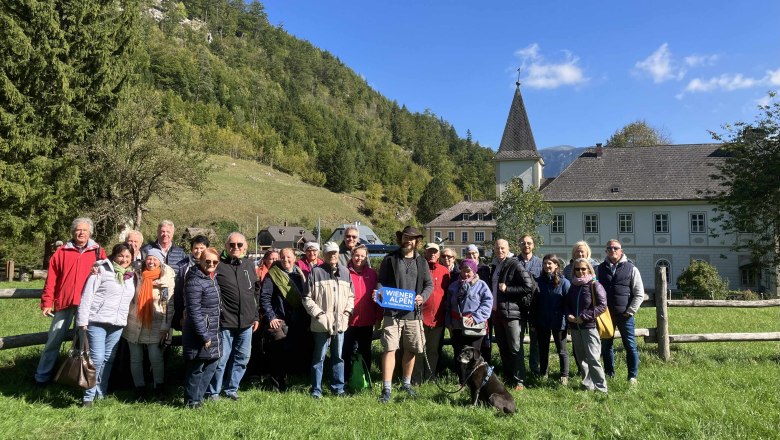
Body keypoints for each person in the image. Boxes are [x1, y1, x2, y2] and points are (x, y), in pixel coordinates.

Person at [36, 217, 107, 386]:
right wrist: (47, 302)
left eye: (84, 230)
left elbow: (106, 278)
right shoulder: (62, 252)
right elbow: (51, 279)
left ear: (90, 232)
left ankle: (77, 378)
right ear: (73, 232)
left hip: (87, 306)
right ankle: (42, 377)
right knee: (53, 341)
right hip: (65, 303)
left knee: (82, 344)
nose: (81, 233)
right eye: (77, 230)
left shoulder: (98, 252)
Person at [376, 226, 433, 403]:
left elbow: (429, 285)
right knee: (389, 348)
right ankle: (387, 388)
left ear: (417, 241)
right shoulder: (390, 259)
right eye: (405, 237)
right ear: (401, 239)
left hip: (413, 314)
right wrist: (379, 292)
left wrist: (421, 297)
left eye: (412, 238)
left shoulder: (421, 262)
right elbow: (380, 282)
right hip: (392, 312)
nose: (408, 240)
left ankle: (406, 384)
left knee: (412, 349)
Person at [76, 243, 136, 407]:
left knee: (108, 359)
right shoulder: (101, 270)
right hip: (97, 321)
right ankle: (88, 396)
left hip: (117, 323)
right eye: (121, 256)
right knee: (97, 358)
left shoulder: (131, 276)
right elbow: (87, 295)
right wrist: (82, 321)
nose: (124, 260)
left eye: (127, 257)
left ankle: (100, 392)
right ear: (114, 256)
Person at [207, 232, 260, 401]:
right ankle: (214, 392)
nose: (235, 247)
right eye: (232, 245)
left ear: (245, 247)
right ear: (226, 246)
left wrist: (256, 316)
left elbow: (256, 291)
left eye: (239, 245)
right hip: (225, 322)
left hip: (247, 322)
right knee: (221, 360)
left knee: (242, 358)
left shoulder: (249, 265)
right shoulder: (218, 266)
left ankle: (231, 389)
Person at [122, 248, 175, 400]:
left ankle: (159, 387)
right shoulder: (137, 273)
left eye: (155, 259)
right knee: (136, 357)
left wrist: (165, 327)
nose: (151, 262)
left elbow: (169, 305)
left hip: (155, 322)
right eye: (149, 259)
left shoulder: (166, 278)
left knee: (155, 356)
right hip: (134, 320)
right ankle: (139, 388)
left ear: (160, 261)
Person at [303, 242, 355, 398]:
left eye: (335, 253)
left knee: (338, 357)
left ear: (338, 254)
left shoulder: (345, 272)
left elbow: (351, 296)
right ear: (323, 255)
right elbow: (306, 298)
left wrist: (347, 313)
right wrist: (319, 315)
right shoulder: (315, 272)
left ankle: (338, 388)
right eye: (329, 253)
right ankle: (316, 390)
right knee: (318, 357)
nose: (333, 256)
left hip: (340, 322)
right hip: (321, 323)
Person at [260, 248, 309, 390]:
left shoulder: (300, 274)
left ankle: (292, 382)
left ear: (295, 258)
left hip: (298, 320)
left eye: (289, 257)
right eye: (282, 257)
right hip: (280, 321)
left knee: (294, 352)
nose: (285, 260)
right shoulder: (273, 275)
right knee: (278, 354)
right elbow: (265, 298)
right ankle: (277, 385)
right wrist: (271, 317)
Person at [597, 239, 644, 386]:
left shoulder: (631, 268)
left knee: (630, 346)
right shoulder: (599, 269)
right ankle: (609, 374)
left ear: (621, 251)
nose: (612, 251)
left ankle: (632, 376)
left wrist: (630, 312)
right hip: (606, 315)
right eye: (609, 248)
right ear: (606, 251)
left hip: (625, 315)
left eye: (615, 248)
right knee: (606, 346)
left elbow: (639, 294)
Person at [490, 239, 536, 391]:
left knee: (515, 347)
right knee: (503, 347)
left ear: (508, 248)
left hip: (513, 314)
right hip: (497, 313)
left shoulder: (514, 264)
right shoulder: (495, 265)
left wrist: (508, 289)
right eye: (497, 248)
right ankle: (509, 377)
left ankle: (520, 380)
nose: (500, 250)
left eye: (502, 248)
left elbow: (528, 286)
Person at [182, 247, 222, 409]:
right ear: (200, 261)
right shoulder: (194, 280)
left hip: (214, 328)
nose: (211, 264)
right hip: (200, 332)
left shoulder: (211, 278)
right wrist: (204, 335)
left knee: (212, 363)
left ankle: (198, 398)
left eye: (214, 262)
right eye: (208, 261)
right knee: (197, 367)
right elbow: (194, 311)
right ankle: (191, 402)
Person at [445, 259, 492, 383]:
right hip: (457, 326)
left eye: (469, 271)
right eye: (463, 271)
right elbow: (448, 306)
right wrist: (449, 323)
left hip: (474, 327)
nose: (466, 274)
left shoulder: (482, 285)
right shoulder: (454, 286)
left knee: (472, 355)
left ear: (474, 271)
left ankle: (475, 381)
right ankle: (462, 380)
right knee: (459, 354)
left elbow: (487, 303)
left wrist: (475, 317)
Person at [564, 258, 608, 393]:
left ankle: (601, 388)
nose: (580, 271)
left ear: (589, 269)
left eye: (583, 268)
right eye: (577, 269)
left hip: (590, 326)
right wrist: (569, 315)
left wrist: (584, 317)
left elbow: (602, 306)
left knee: (593, 358)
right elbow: (567, 304)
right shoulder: (573, 286)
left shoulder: (595, 285)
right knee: (581, 359)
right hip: (576, 328)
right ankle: (587, 385)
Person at [342, 244, 380, 388]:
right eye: (357, 255)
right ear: (352, 256)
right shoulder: (344, 273)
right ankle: (346, 380)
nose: (359, 258)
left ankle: (366, 379)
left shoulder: (372, 274)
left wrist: (378, 316)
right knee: (346, 351)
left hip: (367, 320)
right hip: (348, 321)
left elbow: (378, 297)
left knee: (365, 352)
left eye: (362, 256)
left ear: (366, 257)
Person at [413, 242, 450, 384]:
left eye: (435, 252)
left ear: (439, 254)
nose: (432, 254)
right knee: (418, 349)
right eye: (430, 252)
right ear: (425, 253)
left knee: (433, 350)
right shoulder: (418, 268)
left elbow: (447, 294)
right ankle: (417, 378)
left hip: (438, 318)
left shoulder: (444, 271)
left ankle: (430, 377)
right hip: (419, 317)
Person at [532, 254, 571, 385]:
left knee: (562, 350)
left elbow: (567, 303)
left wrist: (567, 320)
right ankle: (544, 373)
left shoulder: (564, 283)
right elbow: (534, 302)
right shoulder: (538, 282)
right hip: (542, 321)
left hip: (559, 321)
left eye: (550, 263)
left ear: (556, 265)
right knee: (543, 349)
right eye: (545, 264)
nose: (547, 266)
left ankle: (564, 375)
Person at [172, 235, 211, 331]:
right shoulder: (182, 266)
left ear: (207, 249)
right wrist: (180, 315)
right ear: (191, 249)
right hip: (187, 312)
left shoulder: (213, 264)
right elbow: (178, 293)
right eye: (196, 248)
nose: (198, 251)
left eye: (202, 248)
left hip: (208, 313)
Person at [516, 235, 543, 376]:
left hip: (535, 306)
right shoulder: (514, 262)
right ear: (519, 245)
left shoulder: (540, 263)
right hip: (518, 306)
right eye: (523, 243)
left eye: (529, 243)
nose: (526, 245)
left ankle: (535, 368)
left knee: (535, 339)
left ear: (533, 245)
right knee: (517, 338)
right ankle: (519, 369)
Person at [465, 244, 493, 362]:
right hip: (467, 313)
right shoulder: (463, 268)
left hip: (483, 311)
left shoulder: (485, 269)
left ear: (478, 254)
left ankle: (485, 364)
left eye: (474, 253)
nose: (472, 256)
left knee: (485, 341)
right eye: (469, 254)